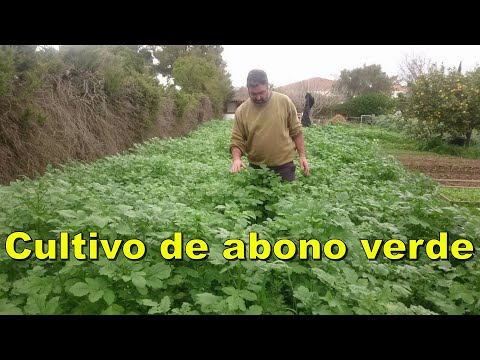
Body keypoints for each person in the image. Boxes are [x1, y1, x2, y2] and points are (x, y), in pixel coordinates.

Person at [229, 69, 310, 182]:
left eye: (261, 92)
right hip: (256, 168)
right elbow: (237, 140)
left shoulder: (284, 102)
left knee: (286, 198)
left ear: (268, 86)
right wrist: (236, 159)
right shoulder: (242, 111)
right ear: (248, 89)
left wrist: (302, 156)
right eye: (253, 94)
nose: (258, 97)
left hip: (284, 167)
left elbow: (296, 131)